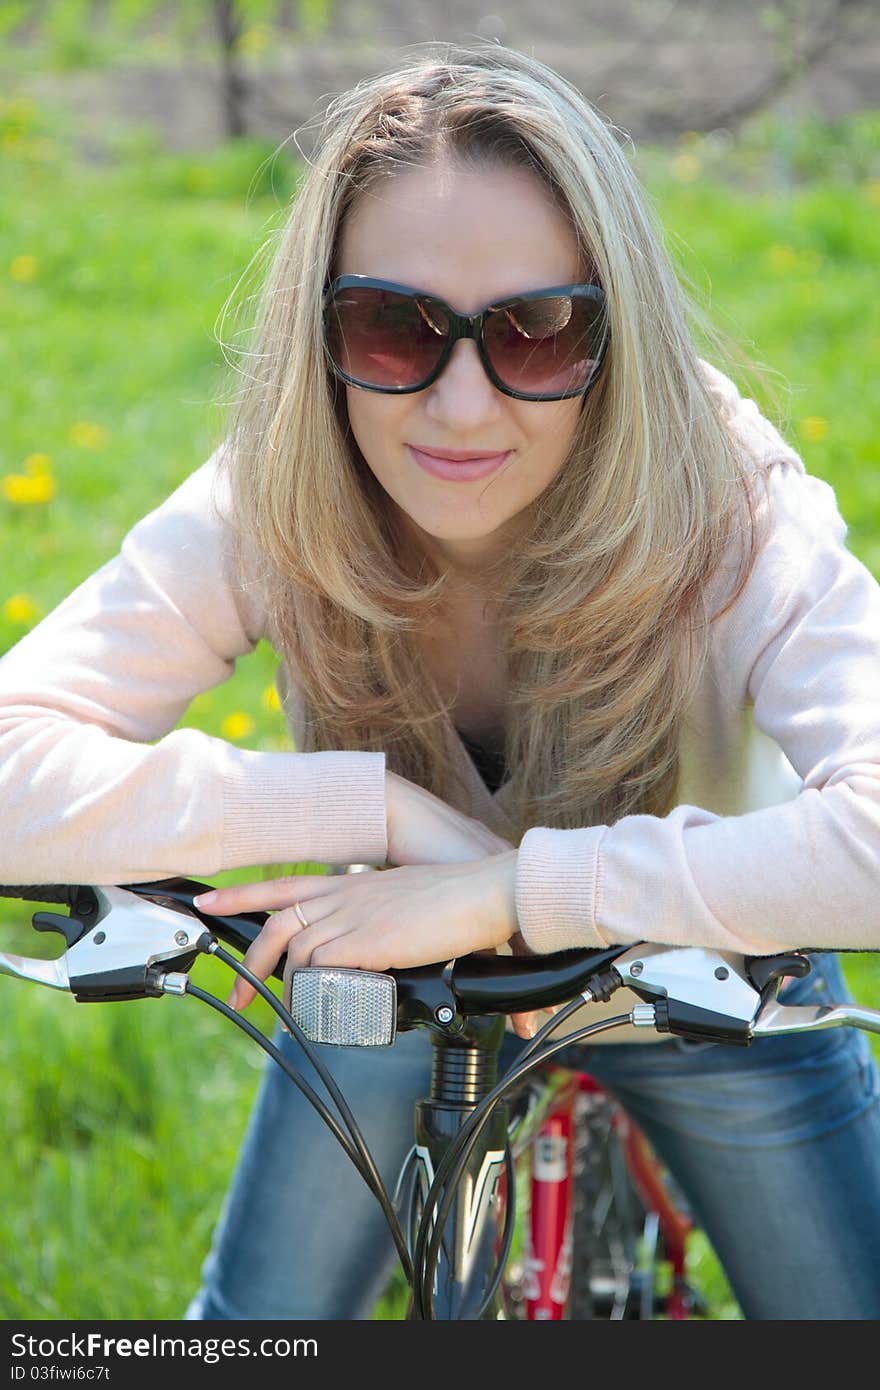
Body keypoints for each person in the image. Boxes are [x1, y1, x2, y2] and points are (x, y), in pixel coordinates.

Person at [2, 43, 879, 1321]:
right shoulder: (282, 487)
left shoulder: (724, 499)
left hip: (705, 980)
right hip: (397, 961)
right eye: (392, 325)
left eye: (537, 331)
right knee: (246, 1337)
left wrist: (511, 888)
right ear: (320, 330)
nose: (460, 407)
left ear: (614, 333)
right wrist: (370, 818)